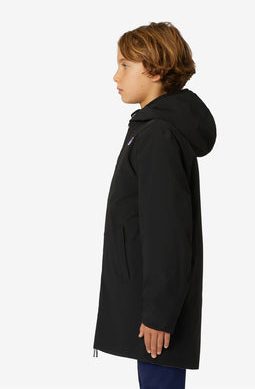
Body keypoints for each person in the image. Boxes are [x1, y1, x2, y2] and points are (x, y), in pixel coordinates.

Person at [92, 21, 217, 389]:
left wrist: (159, 314)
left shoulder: (158, 135)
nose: (116, 76)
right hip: (149, 302)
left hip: (157, 312)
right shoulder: (150, 128)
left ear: (156, 70)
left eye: (125, 65)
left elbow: (167, 231)